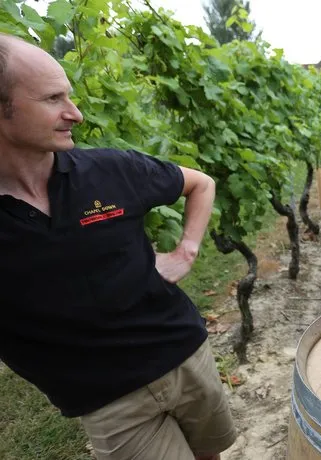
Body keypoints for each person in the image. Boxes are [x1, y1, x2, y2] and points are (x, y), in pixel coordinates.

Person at [0, 33, 237, 460]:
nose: (76, 113)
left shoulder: (112, 170)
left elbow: (201, 183)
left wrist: (187, 251)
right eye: (53, 99)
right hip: (109, 401)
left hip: (185, 354)